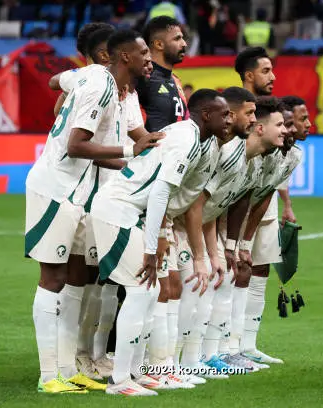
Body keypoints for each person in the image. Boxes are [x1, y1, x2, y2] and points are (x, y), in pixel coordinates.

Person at [25, 29, 158, 394]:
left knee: (78, 280)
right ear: (120, 57)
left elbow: (60, 78)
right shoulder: (100, 83)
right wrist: (133, 153)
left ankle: (69, 369)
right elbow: (76, 145)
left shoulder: (113, 87)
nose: (149, 57)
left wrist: (139, 167)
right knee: (53, 278)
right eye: (143, 51)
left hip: (84, 193)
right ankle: (49, 376)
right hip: (56, 189)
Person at [88, 89, 231, 396]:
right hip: (119, 209)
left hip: (134, 213)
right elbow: (159, 193)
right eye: (225, 114)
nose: (229, 119)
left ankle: (138, 373)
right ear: (206, 115)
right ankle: (119, 381)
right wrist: (152, 248)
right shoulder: (186, 141)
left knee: (150, 292)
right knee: (140, 290)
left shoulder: (198, 140)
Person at [178, 92, 289, 376]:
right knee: (189, 287)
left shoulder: (250, 160)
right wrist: (204, 254)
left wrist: (226, 248)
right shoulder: (230, 154)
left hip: (203, 225)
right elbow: (195, 206)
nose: (286, 130)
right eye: (280, 125)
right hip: (179, 223)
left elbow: (217, 208)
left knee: (218, 278)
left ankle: (204, 357)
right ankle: (177, 364)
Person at [231, 96, 311, 365]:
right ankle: (221, 350)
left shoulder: (292, 155)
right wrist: (236, 240)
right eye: (292, 122)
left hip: (250, 212)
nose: (301, 126)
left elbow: (264, 193)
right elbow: (242, 195)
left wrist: (246, 238)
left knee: (254, 271)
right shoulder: (255, 151)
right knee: (225, 274)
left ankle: (245, 345)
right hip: (225, 214)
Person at [137, 15, 189, 374]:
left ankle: (162, 366)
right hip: (148, 188)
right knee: (159, 282)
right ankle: (149, 368)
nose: (184, 43)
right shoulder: (144, 79)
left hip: (171, 189)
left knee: (171, 284)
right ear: (158, 44)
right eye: (178, 37)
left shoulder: (172, 81)